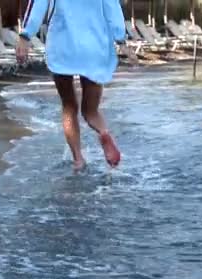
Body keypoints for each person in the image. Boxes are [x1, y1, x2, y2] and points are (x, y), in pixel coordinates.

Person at [16, 0, 137, 170]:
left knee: (69, 106)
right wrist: (121, 40)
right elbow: (113, 8)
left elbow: (38, 5)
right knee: (91, 111)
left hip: (63, 44)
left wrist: (25, 36)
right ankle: (103, 132)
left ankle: (78, 159)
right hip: (95, 45)